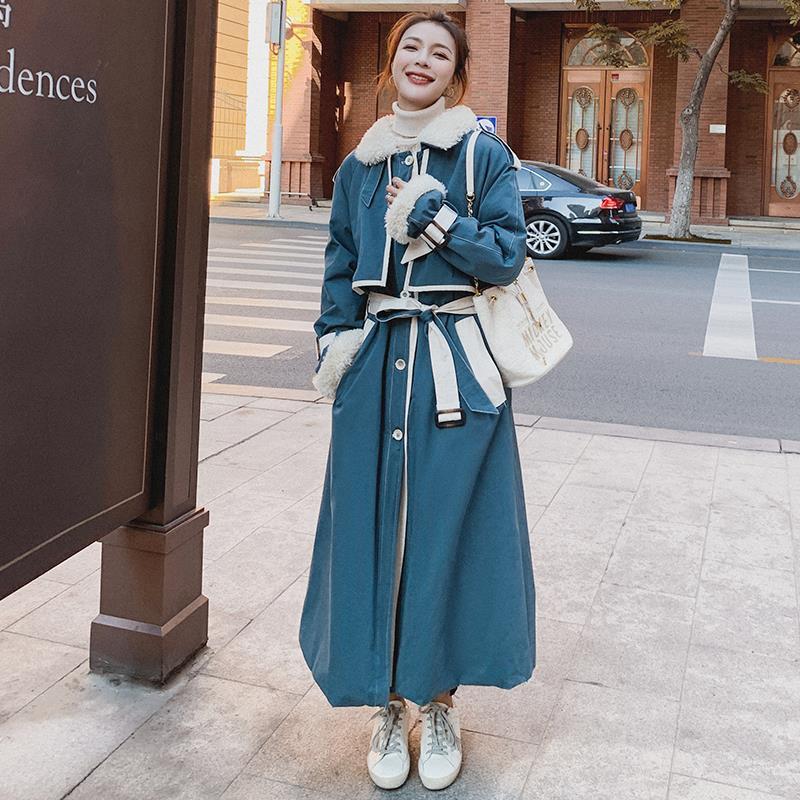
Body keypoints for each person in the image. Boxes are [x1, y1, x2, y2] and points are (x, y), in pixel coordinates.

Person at [298, 10, 536, 792]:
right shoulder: (359, 166)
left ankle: (437, 703)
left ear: (458, 72)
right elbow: (340, 269)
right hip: (374, 370)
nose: (423, 60)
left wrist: (434, 216)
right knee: (373, 538)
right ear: (391, 63)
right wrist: (337, 346)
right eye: (411, 48)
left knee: (447, 538)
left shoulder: (482, 154)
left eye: (441, 52)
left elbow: (504, 258)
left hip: (455, 374)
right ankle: (384, 705)